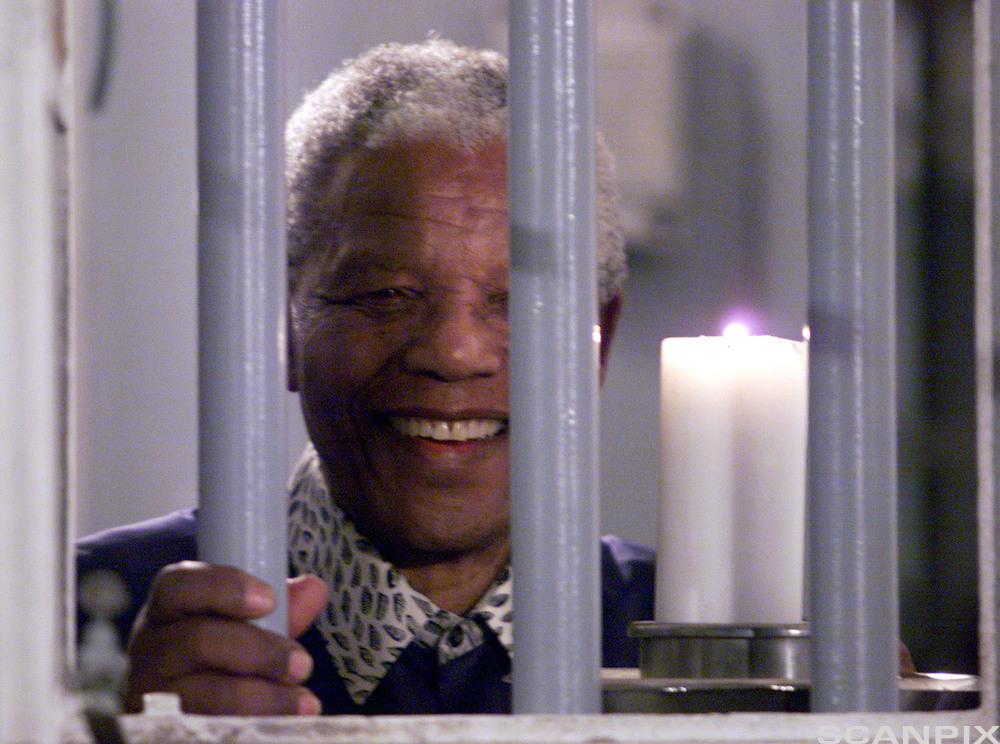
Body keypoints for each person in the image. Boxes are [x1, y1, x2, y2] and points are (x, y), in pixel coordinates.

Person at [76, 39, 654, 716]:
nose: (455, 351)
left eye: (520, 303)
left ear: (599, 342)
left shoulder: (701, 639)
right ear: (285, 326)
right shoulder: (85, 619)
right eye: (385, 294)